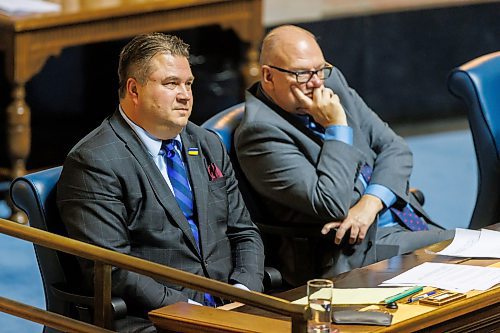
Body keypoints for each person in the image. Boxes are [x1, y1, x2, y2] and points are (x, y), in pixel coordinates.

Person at [57, 33, 264, 332]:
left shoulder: (207, 143)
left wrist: (244, 291)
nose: (185, 95)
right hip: (156, 318)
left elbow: (244, 232)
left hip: (232, 309)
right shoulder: (95, 161)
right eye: (170, 84)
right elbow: (115, 268)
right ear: (134, 89)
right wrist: (191, 312)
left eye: (188, 83)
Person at [234, 25, 454, 287]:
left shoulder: (331, 81)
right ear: (269, 76)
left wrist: (370, 203)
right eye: (302, 73)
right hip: (356, 252)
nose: (316, 82)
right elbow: (332, 202)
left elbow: (396, 148)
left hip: (396, 218)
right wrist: (337, 127)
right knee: (472, 255)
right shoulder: (259, 134)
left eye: (319, 69)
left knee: (479, 254)